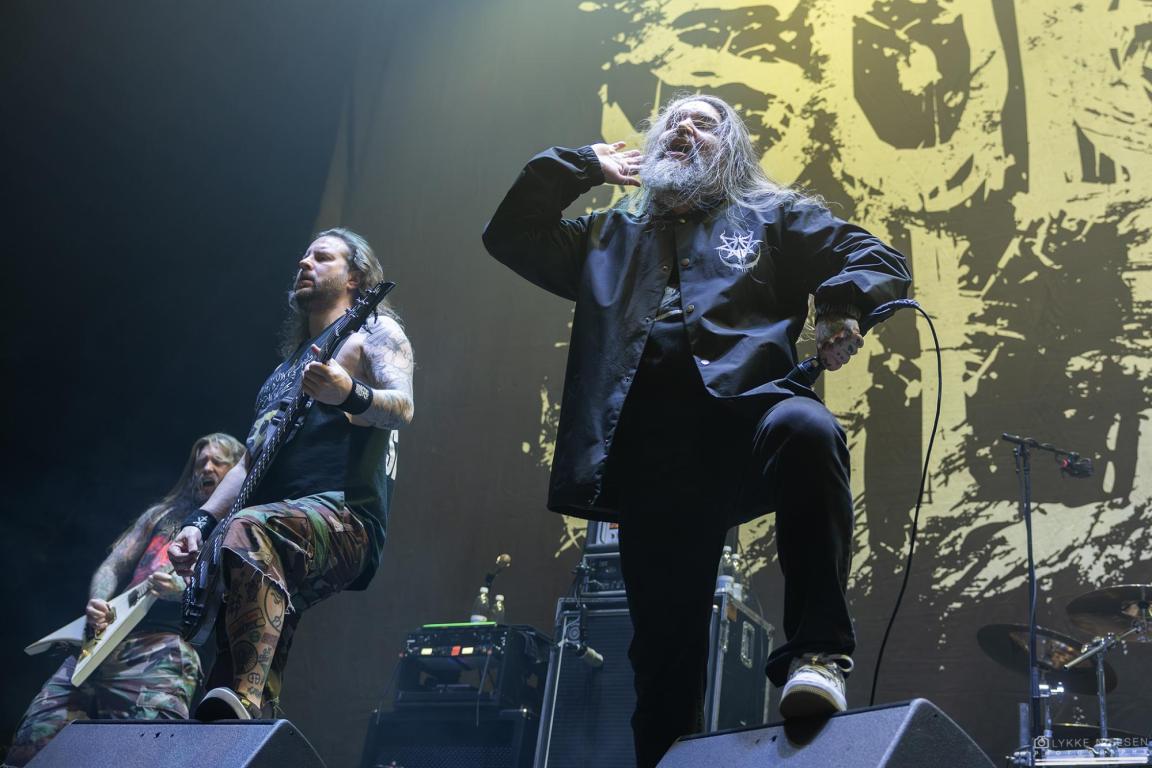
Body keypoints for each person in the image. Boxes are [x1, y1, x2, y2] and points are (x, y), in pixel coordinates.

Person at [483, 94, 911, 767]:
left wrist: (840, 305)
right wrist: (581, 165)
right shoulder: (606, 234)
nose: (682, 126)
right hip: (656, 461)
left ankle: (818, 655)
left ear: (730, 150)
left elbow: (878, 258)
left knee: (809, 428)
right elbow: (510, 234)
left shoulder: (771, 216)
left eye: (704, 123)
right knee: (663, 662)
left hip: (752, 422)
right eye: (672, 121)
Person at [169, 228, 414, 720]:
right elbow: (248, 462)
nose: (305, 263)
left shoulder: (372, 332)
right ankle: (245, 719)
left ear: (355, 277)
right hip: (265, 538)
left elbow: (403, 408)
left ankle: (244, 698)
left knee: (249, 531)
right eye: (304, 256)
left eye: (322, 257)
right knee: (224, 691)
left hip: (344, 517)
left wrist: (348, 393)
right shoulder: (283, 372)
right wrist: (199, 522)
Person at [5, 433, 245, 767]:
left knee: (144, 751)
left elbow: (232, 594)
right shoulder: (162, 514)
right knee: (31, 744)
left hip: (164, 648)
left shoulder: (238, 526)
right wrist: (98, 600)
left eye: (218, 461)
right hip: (102, 642)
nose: (206, 467)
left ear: (235, 471)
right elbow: (114, 564)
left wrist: (182, 591)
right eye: (200, 461)